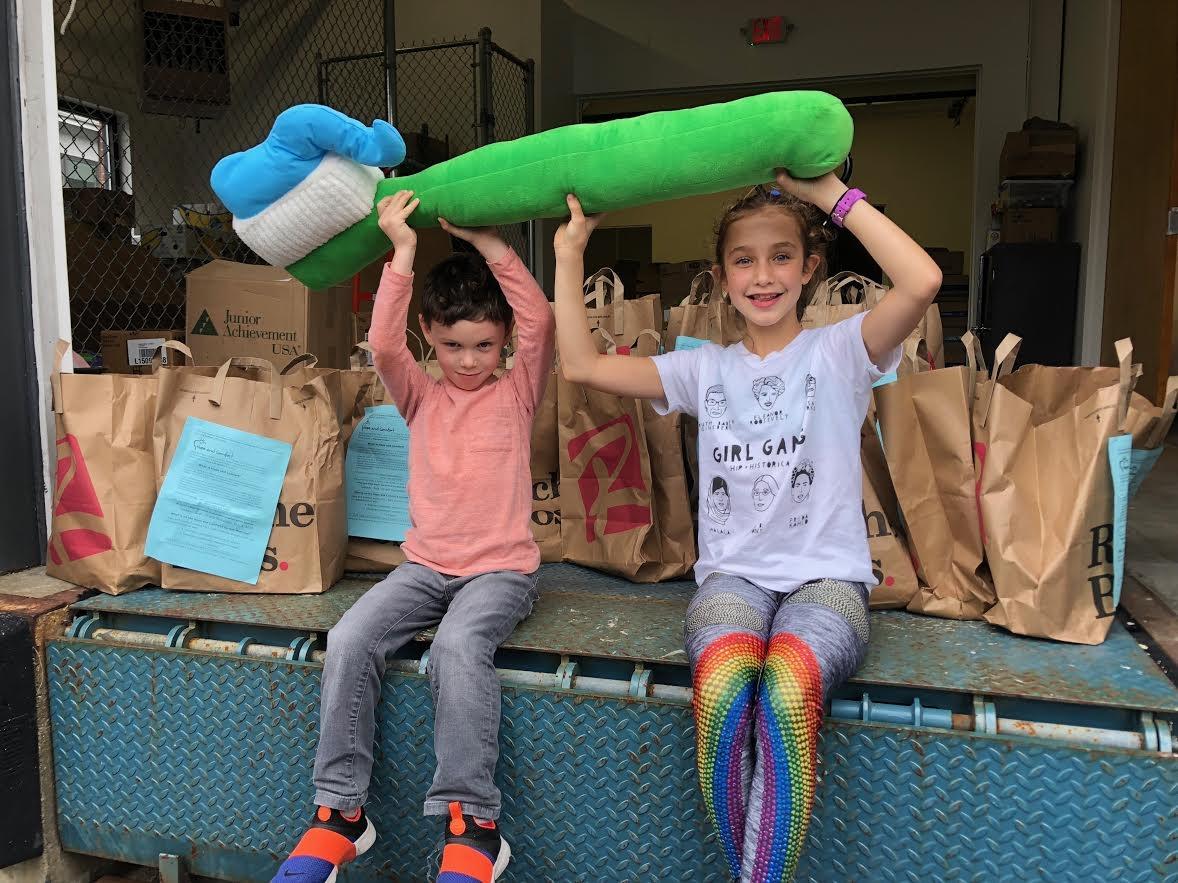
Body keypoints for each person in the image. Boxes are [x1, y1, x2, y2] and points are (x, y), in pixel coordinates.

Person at [553, 170, 941, 882]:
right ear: (721, 275)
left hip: (828, 580)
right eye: (744, 259)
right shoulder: (704, 370)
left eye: (782, 255)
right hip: (733, 579)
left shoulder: (842, 350)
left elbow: (920, 281)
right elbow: (579, 363)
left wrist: (830, 197)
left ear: (809, 268)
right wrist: (571, 250)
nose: (763, 275)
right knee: (728, 688)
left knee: (788, 693)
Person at [273, 190, 555, 883]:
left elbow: (542, 318)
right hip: (425, 567)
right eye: (453, 344)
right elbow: (384, 341)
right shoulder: (417, 392)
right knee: (348, 638)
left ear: (505, 342)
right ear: (430, 334)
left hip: (500, 573)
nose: (468, 359)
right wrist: (402, 252)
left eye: (484, 344)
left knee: (458, 647)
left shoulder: (518, 389)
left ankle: (474, 823)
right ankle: (340, 812)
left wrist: (490, 242)